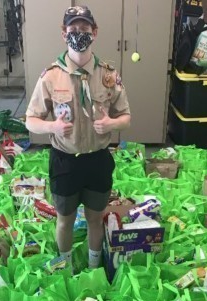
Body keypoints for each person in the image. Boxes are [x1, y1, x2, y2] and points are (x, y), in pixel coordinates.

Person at [25, 5, 131, 271]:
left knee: (96, 219)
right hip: (65, 161)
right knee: (65, 219)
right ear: (64, 33)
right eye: (73, 29)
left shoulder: (108, 75)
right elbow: (30, 120)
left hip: (97, 160)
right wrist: (53, 127)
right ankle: (66, 267)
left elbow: (126, 116)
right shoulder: (51, 76)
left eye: (85, 29)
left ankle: (95, 266)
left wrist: (111, 123)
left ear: (94, 33)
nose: (79, 34)